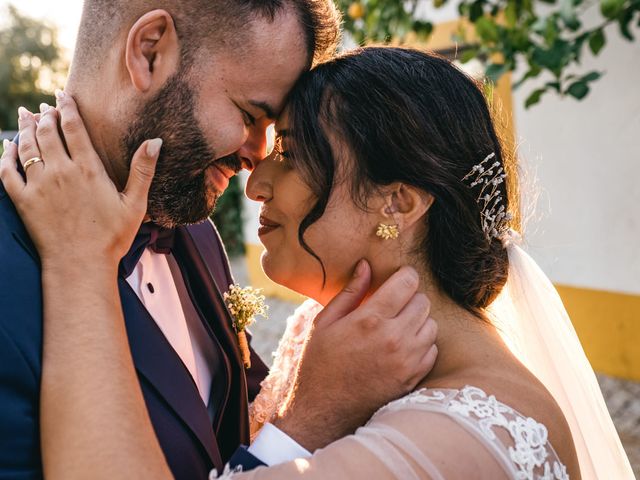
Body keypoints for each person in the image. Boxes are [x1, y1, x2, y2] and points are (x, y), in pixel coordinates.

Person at [2, 46, 634, 479]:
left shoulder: (467, 437)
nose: (255, 184)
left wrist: (312, 415)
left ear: (398, 201)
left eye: (294, 153)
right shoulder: (333, 334)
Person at [0, 3, 439, 479]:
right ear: (149, 52)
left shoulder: (195, 233)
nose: (257, 157)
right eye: (250, 115)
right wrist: (312, 417)